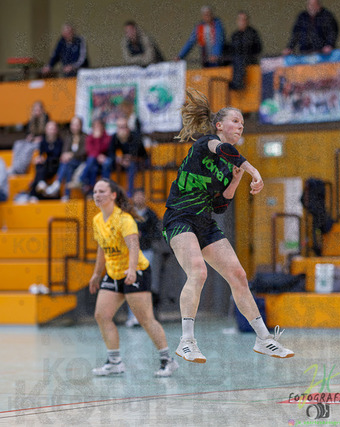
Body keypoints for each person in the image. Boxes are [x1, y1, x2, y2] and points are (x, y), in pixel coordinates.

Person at [164, 89, 294, 362]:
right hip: (179, 218)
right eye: (235, 121)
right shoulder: (208, 143)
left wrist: (235, 181)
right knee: (198, 272)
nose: (240, 126)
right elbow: (225, 150)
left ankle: (264, 339)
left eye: (242, 124)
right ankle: (186, 341)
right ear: (219, 125)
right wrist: (253, 171)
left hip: (204, 222)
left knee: (238, 275)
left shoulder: (227, 168)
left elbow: (220, 206)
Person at [89, 179, 178, 377]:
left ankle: (168, 360)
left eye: (102, 191)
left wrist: (131, 270)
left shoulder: (125, 219)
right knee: (102, 315)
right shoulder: (97, 220)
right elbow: (102, 249)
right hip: (113, 273)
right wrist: (96, 274)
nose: (97, 195)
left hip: (136, 271)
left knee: (145, 319)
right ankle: (115, 362)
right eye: (95, 192)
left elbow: (134, 246)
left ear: (113, 195)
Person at [125, 188, 163, 327]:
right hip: (131, 252)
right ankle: (132, 316)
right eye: (137, 196)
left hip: (146, 251)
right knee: (132, 283)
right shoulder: (129, 214)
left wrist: (144, 236)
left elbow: (157, 233)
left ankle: (145, 317)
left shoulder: (150, 214)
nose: (139, 198)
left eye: (141, 196)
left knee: (145, 284)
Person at [45, 116, 87, 201]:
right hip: (70, 162)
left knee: (67, 163)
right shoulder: (68, 137)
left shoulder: (85, 137)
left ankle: (57, 184)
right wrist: (64, 155)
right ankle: (66, 195)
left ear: (80, 125)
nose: (74, 127)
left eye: (76, 125)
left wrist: (71, 155)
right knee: (67, 166)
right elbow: (65, 150)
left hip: (81, 161)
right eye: (73, 124)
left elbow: (84, 152)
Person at [108, 117, 148, 196]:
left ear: (128, 127)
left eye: (124, 127)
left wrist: (127, 158)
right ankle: (110, 190)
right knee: (107, 163)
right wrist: (118, 159)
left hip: (139, 161)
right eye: (120, 127)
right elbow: (111, 152)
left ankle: (130, 192)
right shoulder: (115, 137)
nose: (122, 129)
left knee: (131, 165)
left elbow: (137, 152)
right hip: (123, 162)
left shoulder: (135, 136)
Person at [9, 101, 49, 176]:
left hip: (41, 142)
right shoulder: (31, 120)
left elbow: (47, 134)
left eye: (38, 110)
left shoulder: (46, 119)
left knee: (28, 149)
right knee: (18, 144)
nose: (37, 112)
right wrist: (29, 137)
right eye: (35, 110)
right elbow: (27, 132)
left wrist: (39, 138)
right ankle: (14, 167)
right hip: (32, 140)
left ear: (42, 110)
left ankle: (21, 170)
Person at [229, 11, 262, 91]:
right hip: (237, 61)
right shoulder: (235, 35)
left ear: (247, 21)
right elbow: (231, 49)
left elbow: (259, 48)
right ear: (237, 21)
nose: (242, 22)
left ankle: (238, 83)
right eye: (240, 19)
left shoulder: (253, 33)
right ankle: (237, 82)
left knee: (240, 59)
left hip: (250, 59)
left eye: (244, 19)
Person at [29, 121, 63, 200]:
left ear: (56, 130)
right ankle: (41, 184)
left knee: (42, 167)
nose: (51, 131)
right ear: (46, 130)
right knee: (38, 164)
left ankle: (33, 193)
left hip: (55, 165)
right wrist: (39, 158)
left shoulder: (60, 142)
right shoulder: (43, 141)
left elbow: (57, 155)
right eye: (50, 129)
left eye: (53, 129)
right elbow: (41, 154)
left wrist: (44, 158)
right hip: (46, 166)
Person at [81, 119, 112, 193]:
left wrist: (97, 139)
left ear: (103, 126)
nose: (97, 128)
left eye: (99, 126)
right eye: (95, 126)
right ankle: (91, 188)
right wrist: (97, 156)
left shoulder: (107, 137)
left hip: (104, 158)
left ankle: (83, 180)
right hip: (94, 159)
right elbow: (89, 150)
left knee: (106, 162)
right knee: (92, 163)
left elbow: (104, 148)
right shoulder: (90, 137)